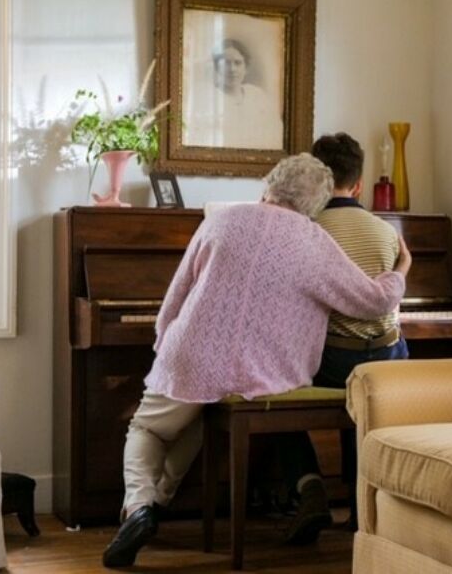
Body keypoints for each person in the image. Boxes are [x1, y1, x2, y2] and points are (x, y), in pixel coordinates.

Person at [101, 153, 411, 568]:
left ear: (269, 185)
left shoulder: (220, 220)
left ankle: (141, 507)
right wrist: (401, 268)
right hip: (266, 372)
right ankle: (154, 506)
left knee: (152, 427)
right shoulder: (314, 240)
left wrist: (165, 341)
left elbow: (177, 293)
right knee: (196, 421)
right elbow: (372, 302)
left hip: (196, 355)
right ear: (315, 205)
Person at [309, 133, 410, 530]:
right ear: (359, 184)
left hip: (334, 362)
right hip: (386, 358)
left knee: (277, 376)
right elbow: (392, 299)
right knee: (390, 350)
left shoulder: (310, 229)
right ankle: (365, 507)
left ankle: (305, 489)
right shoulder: (387, 232)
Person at [183, 38, 283, 150]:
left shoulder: (257, 96)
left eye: (238, 63)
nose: (232, 69)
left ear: (246, 68)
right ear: (216, 67)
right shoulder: (205, 96)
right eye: (226, 63)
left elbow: (273, 134)